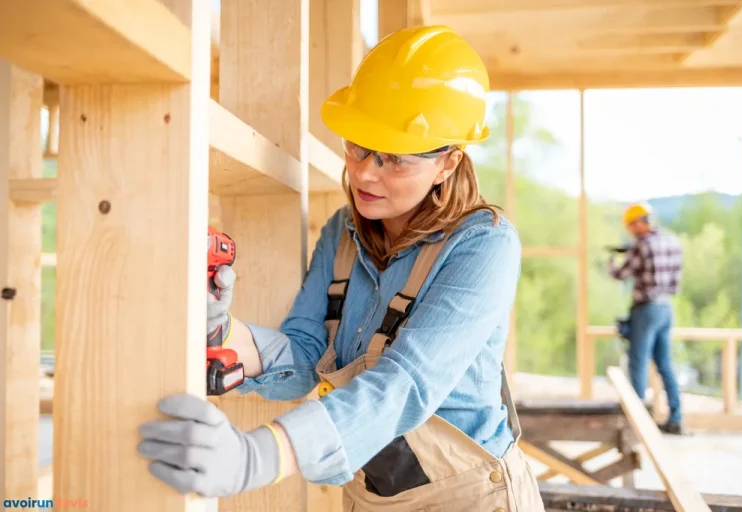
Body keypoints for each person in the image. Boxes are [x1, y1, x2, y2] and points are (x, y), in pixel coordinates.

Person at [137, 25, 545, 510]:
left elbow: (406, 385)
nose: (366, 172)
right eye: (358, 145)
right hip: (368, 493)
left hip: (469, 496)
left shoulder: (484, 246)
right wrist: (219, 332)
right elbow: (308, 354)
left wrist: (258, 456)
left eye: (394, 158)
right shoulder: (342, 231)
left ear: (448, 163)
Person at [609, 202, 684, 435]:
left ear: (640, 222)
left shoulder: (642, 246)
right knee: (665, 364)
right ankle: (675, 418)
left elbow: (621, 274)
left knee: (638, 363)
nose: (631, 231)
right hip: (665, 308)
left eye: (631, 226)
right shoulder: (672, 242)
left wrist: (613, 262)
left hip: (646, 309)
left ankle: (636, 421)